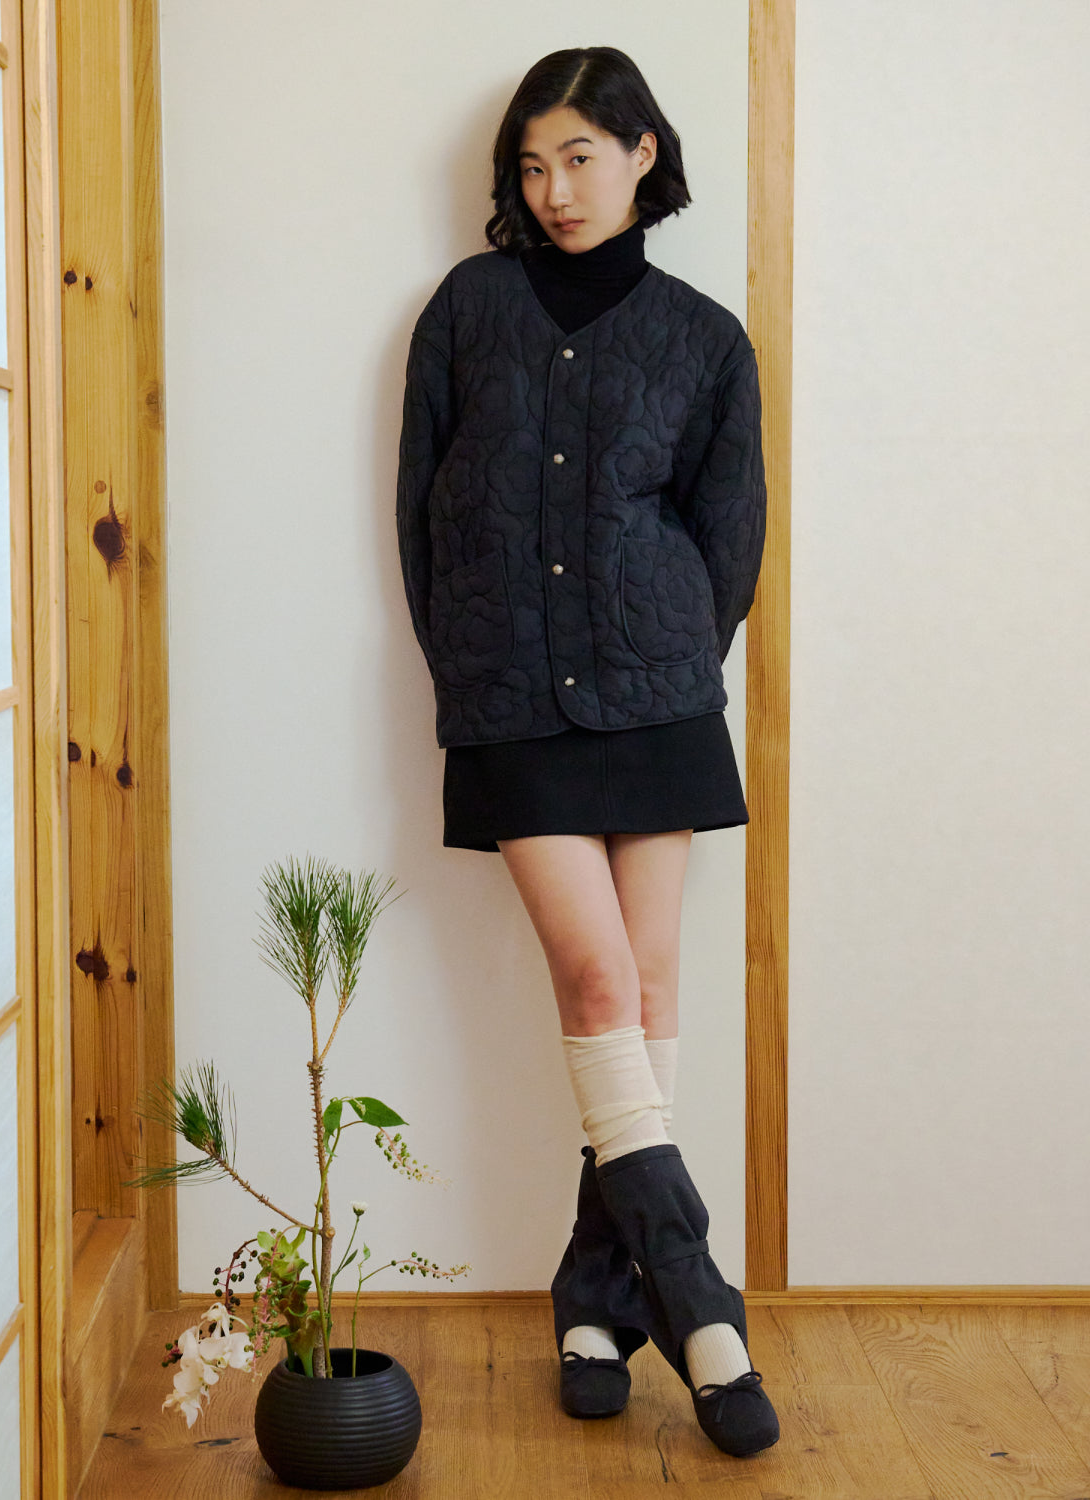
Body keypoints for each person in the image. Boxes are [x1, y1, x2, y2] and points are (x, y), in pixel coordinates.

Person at [395, 46, 780, 1459]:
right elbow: (420, 518)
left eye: (579, 157)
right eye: (531, 163)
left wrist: (669, 653)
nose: (552, 188)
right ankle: (696, 1293)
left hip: (657, 695)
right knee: (598, 972)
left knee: (653, 985)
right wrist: (475, 668)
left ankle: (591, 1286)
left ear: (640, 158)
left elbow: (727, 543)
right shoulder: (468, 312)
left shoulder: (702, 338)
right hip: (512, 703)